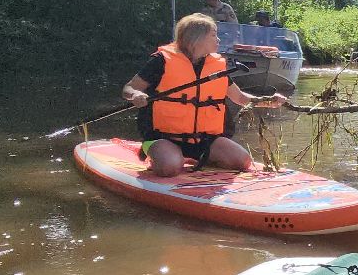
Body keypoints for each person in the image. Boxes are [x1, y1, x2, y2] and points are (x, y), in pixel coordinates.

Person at [121, 14, 283, 176]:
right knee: (168, 168)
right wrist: (135, 95)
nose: (218, 40)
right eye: (213, 35)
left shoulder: (216, 66)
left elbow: (240, 98)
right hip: (163, 137)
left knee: (242, 161)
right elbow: (128, 88)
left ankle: (195, 158)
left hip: (205, 140)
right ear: (196, 38)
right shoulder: (161, 61)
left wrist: (268, 101)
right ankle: (156, 154)